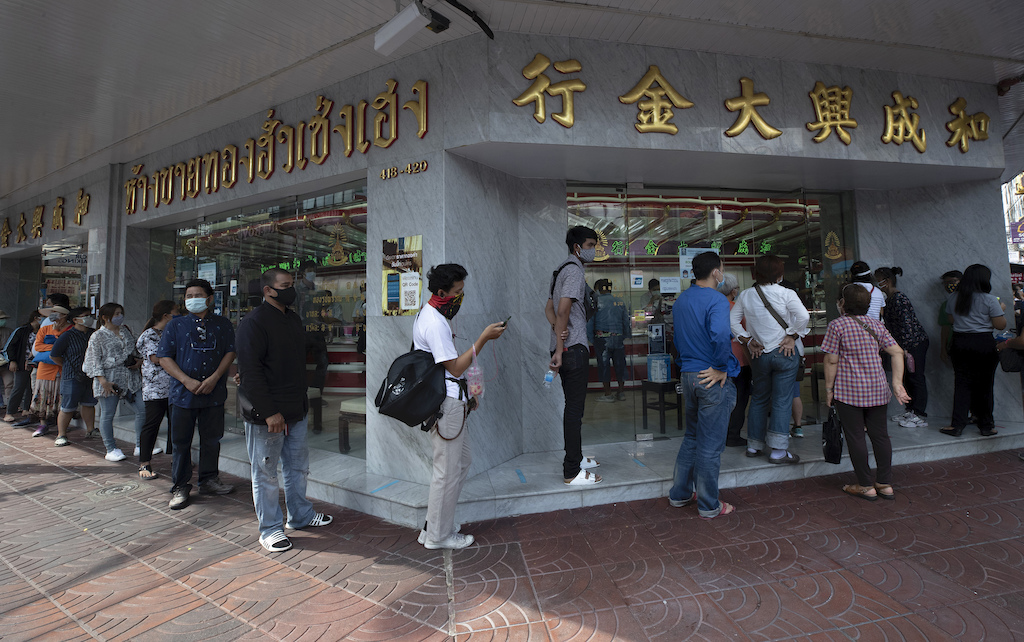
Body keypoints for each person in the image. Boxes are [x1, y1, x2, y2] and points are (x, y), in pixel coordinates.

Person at [237, 268, 333, 553]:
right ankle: (269, 529)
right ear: (268, 290)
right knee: (266, 473)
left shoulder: (292, 319)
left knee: (298, 468)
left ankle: (300, 515)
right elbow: (251, 373)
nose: (292, 290)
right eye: (286, 285)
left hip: (295, 409)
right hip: (267, 415)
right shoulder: (253, 323)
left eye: (292, 284)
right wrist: (269, 412)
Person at [415, 264, 505, 549]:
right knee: (446, 472)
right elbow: (454, 368)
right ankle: (437, 536)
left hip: (453, 400)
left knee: (461, 463)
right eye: (457, 291)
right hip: (446, 406)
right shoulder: (434, 322)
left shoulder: (433, 314)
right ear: (442, 293)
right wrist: (483, 339)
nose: (460, 296)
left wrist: (469, 394)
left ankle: (435, 525)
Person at [823, 284, 911, 501]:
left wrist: (829, 389)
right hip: (878, 389)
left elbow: (831, 360)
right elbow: (897, 352)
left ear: (843, 303)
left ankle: (865, 485)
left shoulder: (837, 325)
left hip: (848, 391)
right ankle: (884, 483)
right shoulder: (876, 325)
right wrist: (897, 383)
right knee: (880, 436)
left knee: (856, 437)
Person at [668, 252, 739, 518]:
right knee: (710, 446)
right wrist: (721, 367)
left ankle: (680, 494)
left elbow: (677, 339)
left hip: (688, 374)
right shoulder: (717, 300)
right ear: (716, 272)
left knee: (692, 437)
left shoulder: (681, 300)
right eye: (722, 269)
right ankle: (709, 505)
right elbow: (720, 335)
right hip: (710, 375)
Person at [158, 279, 237, 509]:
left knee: (211, 440)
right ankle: (180, 486)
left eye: (198, 295)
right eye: (188, 296)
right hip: (183, 394)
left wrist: (215, 378)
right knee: (181, 442)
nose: (193, 299)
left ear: (209, 299)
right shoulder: (175, 325)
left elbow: (230, 352)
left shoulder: (223, 324)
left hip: (214, 393)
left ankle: (209, 480)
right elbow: (164, 357)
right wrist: (186, 380)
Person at [730, 255, 810, 465]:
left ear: (756, 274)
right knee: (782, 400)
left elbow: (732, 321)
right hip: (785, 353)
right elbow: (804, 316)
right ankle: (778, 450)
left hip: (759, 354)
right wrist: (792, 336)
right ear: (779, 275)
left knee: (758, 398)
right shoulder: (787, 293)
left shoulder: (746, 295)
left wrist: (748, 340)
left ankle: (754, 445)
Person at [546, 226, 602, 486]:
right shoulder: (574, 271)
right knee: (574, 410)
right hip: (573, 349)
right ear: (577, 247)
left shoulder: (559, 270)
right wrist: (561, 346)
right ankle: (571, 471)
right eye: (590, 245)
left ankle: (576, 458)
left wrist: (557, 331)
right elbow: (563, 309)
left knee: (573, 407)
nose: (593, 250)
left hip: (565, 347)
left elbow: (549, 309)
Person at [942, 264, 1005, 437]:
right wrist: (1001, 309)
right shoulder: (990, 299)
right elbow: (1000, 325)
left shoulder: (954, 297)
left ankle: (957, 425)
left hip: (960, 342)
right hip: (983, 343)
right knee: (985, 385)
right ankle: (986, 425)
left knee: (962, 384)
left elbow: (951, 320)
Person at [83, 303, 146, 462]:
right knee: (108, 414)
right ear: (105, 317)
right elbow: (93, 360)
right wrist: (102, 381)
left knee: (142, 409)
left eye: (121, 313)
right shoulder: (98, 336)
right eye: (116, 314)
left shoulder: (126, 331)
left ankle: (140, 445)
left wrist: (138, 362)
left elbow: (136, 351)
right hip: (109, 379)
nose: (120, 317)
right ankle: (110, 448)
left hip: (130, 378)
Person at [875, 267, 930, 427]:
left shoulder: (899, 299)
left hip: (914, 344)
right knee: (906, 378)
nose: (877, 284)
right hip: (904, 345)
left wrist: (905, 347)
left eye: (879, 281)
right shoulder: (890, 299)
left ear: (887, 281)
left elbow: (907, 325)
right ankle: (910, 409)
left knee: (916, 377)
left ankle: (919, 413)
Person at [136, 301, 179, 479]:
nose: (179, 315)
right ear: (166, 316)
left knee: (177, 425)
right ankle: (144, 462)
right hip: (155, 389)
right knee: (152, 424)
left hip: (174, 387)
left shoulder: (171, 332)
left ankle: (177, 457)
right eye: (176, 312)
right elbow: (155, 358)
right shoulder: (149, 335)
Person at [49, 307, 98, 447]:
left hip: (90, 374)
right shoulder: (67, 336)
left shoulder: (93, 334)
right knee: (68, 406)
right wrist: (66, 365)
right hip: (72, 376)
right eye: (85, 315)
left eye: (90, 315)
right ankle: (61, 434)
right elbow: (54, 355)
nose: (89, 318)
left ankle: (90, 430)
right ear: (75, 319)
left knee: (89, 403)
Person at [31, 304, 73, 437]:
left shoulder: (71, 330)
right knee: (43, 397)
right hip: (45, 369)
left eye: (56, 312)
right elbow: (38, 346)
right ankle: (43, 424)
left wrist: (53, 346)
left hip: (63, 368)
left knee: (62, 398)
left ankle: (62, 425)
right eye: (52, 312)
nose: (53, 314)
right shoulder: (45, 329)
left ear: (64, 315)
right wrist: (56, 347)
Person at [719, 273, 750, 447]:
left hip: (718, 360)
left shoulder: (712, 307)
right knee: (739, 399)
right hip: (739, 360)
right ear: (733, 291)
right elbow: (746, 332)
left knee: (721, 399)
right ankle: (732, 435)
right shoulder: (736, 309)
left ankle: (720, 433)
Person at [587, 279, 630, 402]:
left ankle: (608, 394)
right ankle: (621, 392)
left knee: (604, 366)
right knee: (620, 365)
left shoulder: (595, 302)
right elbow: (626, 321)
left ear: (598, 289)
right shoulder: (619, 302)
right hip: (618, 338)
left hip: (601, 339)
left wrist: (591, 338)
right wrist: (624, 335)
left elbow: (590, 322)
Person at [3, 310, 42, 424]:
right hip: (21, 363)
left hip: (36, 364)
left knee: (31, 387)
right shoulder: (21, 331)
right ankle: (10, 412)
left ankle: (26, 409)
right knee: (19, 387)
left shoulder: (42, 330)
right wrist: (12, 360)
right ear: (36, 318)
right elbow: (10, 347)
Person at [937, 270, 962, 366]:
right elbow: (945, 327)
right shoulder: (946, 305)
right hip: (955, 344)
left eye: (952, 281)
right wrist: (943, 348)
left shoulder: (974, 301)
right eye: (945, 283)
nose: (949, 285)